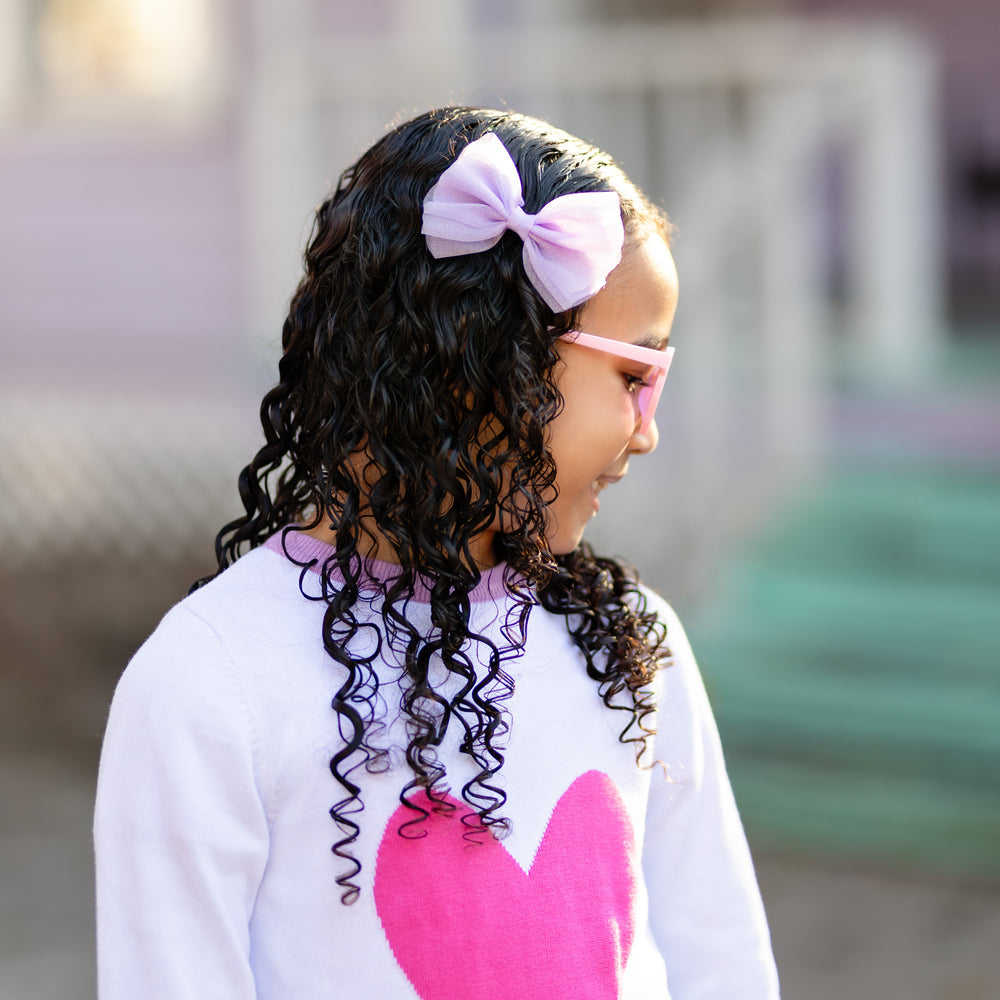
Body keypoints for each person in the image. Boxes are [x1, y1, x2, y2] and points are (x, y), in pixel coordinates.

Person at [94, 106, 780, 999]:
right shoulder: (211, 684)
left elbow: (721, 963)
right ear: (485, 363)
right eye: (634, 380)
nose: (647, 435)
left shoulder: (632, 650)